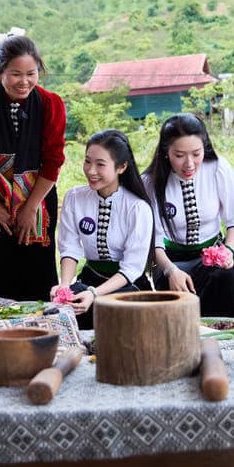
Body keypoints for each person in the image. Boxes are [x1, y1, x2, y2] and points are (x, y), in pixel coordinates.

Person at [0, 31, 66, 302]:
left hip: (38, 199)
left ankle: (43, 338)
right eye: (16, 73)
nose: (24, 81)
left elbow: (53, 161)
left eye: (32, 73)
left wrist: (30, 208)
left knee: (39, 270)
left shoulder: (51, 104)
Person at [143, 113, 234, 317]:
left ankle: (222, 335)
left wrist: (228, 250)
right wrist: (170, 270)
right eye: (179, 155)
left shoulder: (218, 168)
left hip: (212, 254)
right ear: (166, 152)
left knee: (225, 275)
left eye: (196, 154)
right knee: (178, 305)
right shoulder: (150, 182)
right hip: (167, 259)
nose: (189, 163)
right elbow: (152, 239)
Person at [53, 129, 153, 329]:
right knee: (66, 310)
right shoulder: (74, 198)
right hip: (90, 278)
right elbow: (70, 248)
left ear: (122, 167)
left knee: (107, 310)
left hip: (127, 286)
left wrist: (94, 294)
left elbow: (131, 269)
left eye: (100, 164)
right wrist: (64, 286)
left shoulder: (137, 208)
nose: (91, 170)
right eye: (87, 161)